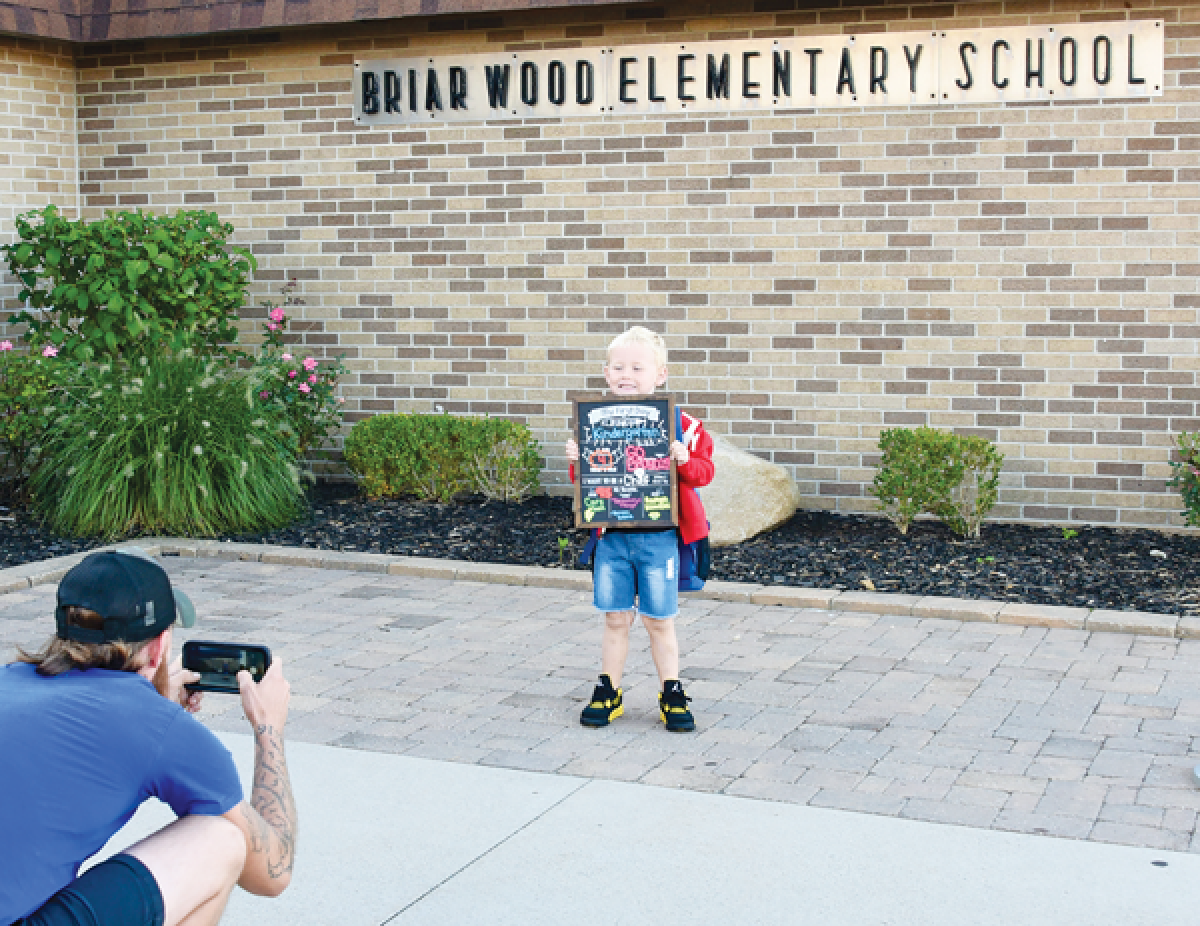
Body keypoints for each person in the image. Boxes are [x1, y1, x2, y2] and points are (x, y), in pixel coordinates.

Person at [0, 548, 297, 926]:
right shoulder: (159, 727)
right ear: (159, 645)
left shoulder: (7, 680)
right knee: (220, 840)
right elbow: (274, 871)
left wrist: (155, 705)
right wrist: (269, 729)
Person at [566, 326, 715, 732]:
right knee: (615, 618)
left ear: (660, 374)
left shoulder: (686, 425)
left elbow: (705, 474)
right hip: (612, 538)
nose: (626, 373)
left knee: (659, 620)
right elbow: (587, 482)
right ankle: (608, 690)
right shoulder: (593, 421)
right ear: (606, 372)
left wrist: (683, 459)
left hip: (660, 539)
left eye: (637, 366)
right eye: (618, 367)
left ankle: (672, 692)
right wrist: (577, 459)